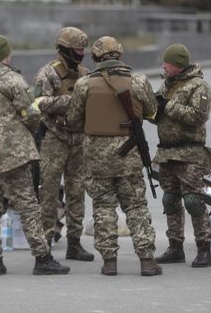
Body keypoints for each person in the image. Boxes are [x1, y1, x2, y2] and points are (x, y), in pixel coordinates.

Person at [0, 33, 70, 276]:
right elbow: (31, 114)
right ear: (6, 54)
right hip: (13, 154)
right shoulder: (14, 80)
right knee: (28, 206)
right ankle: (42, 258)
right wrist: (32, 129)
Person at [66, 36, 161, 277]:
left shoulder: (84, 84)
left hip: (97, 158)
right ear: (119, 55)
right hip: (129, 155)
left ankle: (109, 262)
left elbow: (74, 119)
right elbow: (151, 111)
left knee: (103, 207)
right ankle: (147, 261)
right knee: (136, 206)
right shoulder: (138, 80)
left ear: (96, 58)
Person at [33, 26, 95, 262]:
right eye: (77, 49)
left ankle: (74, 243)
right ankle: (46, 242)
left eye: (83, 49)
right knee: (48, 192)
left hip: (78, 140)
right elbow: (37, 102)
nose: (81, 53)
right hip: (54, 139)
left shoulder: (85, 73)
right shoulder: (47, 73)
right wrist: (69, 101)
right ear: (64, 50)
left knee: (77, 192)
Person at [153, 44, 211, 268]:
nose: (163, 66)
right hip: (167, 152)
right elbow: (160, 115)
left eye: (166, 63)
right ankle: (175, 247)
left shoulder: (199, 86)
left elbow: (198, 116)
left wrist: (168, 106)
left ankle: (204, 248)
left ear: (177, 65)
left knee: (193, 201)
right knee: (170, 200)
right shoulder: (167, 85)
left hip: (190, 152)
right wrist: (153, 109)